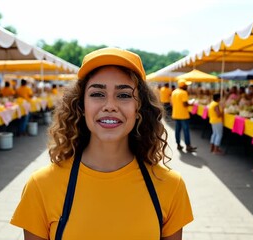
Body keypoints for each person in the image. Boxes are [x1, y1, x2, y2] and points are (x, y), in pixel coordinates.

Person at [11, 47, 194, 240]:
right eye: (97, 94)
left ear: (139, 108)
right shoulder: (41, 186)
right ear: (81, 106)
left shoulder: (170, 186)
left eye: (123, 95)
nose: (109, 106)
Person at [171, 79, 197, 152]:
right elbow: (185, 104)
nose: (187, 86)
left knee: (177, 130)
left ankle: (178, 144)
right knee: (186, 131)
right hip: (183, 115)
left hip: (176, 114)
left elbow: (172, 103)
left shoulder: (174, 92)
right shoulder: (183, 93)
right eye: (186, 85)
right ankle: (188, 146)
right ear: (183, 86)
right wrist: (191, 103)